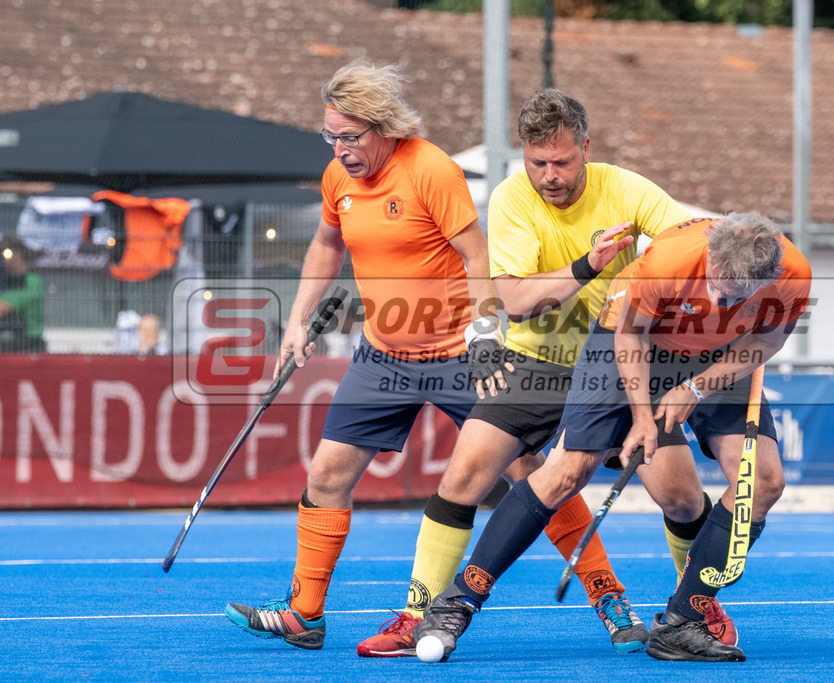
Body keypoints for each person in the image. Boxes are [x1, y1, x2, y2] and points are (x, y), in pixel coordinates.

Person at [223, 62, 627, 653]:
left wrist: (487, 335)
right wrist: (297, 321)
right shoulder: (338, 177)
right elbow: (326, 242)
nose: (340, 149)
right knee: (327, 475)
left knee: (530, 473)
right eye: (330, 136)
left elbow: (476, 255)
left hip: (462, 354)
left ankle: (609, 599)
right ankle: (305, 614)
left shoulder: (431, 170)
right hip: (383, 356)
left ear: (384, 127)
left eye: (351, 136)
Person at [360, 88, 735, 658]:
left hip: (621, 359)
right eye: (539, 163)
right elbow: (513, 301)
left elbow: (693, 244)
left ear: (585, 148)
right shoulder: (513, 199)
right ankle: (419, 615)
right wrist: (589, 266)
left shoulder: (629, 190)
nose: (551, 175)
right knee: (464, 475)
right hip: (540, 362)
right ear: (524, 155)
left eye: (562, 161)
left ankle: (696, 608)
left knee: (682, 500)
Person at [416, 212, 812, 662]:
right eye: (717, 286)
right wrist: (643, 417)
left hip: (724, 353)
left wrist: (697, 386)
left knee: (762, 482)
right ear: (710, 256)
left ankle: (682, 623)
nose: (721, 301)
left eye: (737, 296)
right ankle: (457, 603)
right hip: (631, 339)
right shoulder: (668, 261)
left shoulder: (793, 275)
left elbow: (766, 343)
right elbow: (630, 336)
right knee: (567, 472)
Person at [0, 236, 46, 354]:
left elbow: (3, 308)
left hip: (28, 342)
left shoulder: (31, 281)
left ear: (19, 255)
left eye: (6, 254)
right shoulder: (4, 281)